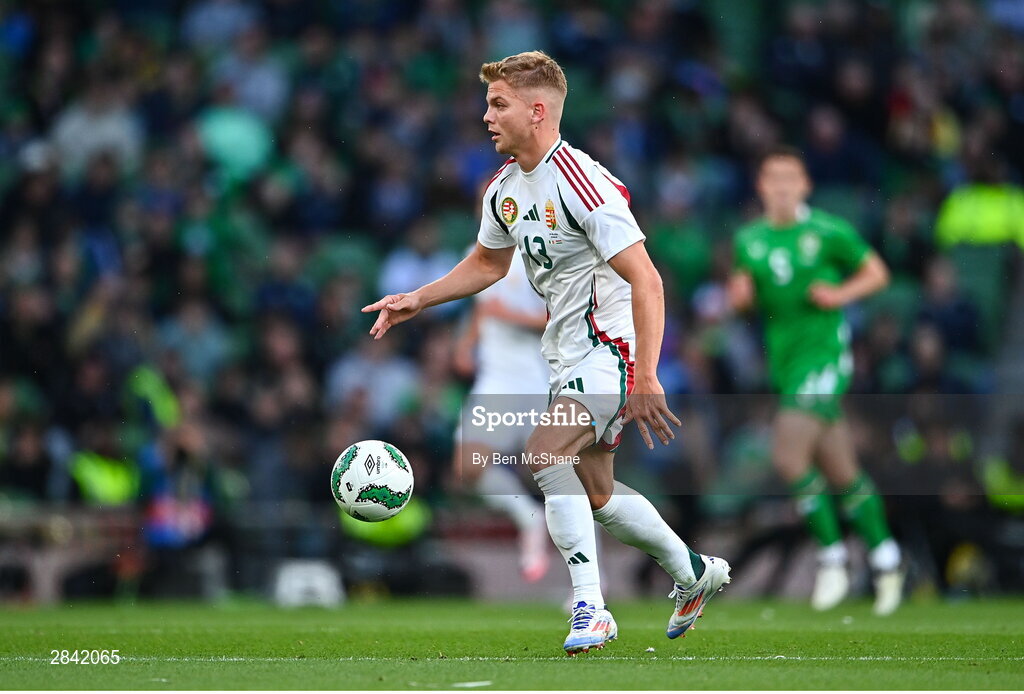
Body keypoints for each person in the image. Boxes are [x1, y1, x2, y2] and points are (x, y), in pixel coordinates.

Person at [363, 51, 729, 655]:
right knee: (598, 496)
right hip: (567, 353)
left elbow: (648, 279)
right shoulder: (505, 190)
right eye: (487, 103)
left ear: (538, 111)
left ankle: (591, 607)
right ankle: (694, 573)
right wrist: (420, 299)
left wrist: (646, 374)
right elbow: (488, 262)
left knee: (542, 451)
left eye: (498, 103)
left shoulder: (581, 181)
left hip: (614, 346)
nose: (486, 115)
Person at [728, 146, 903, 615]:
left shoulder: (828, 231)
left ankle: (833, 560)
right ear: (761, 186)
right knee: (841, 471)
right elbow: (744, 294)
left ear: (805, 185)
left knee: (787, 456)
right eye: (773, 178)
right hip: (785, 363)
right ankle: (887, 558)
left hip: (825, 356)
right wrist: (740, 296)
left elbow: (877, 273)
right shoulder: (750, 239)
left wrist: (840, 293)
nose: (782, 187)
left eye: (791, 178)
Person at [451, 249, 551, 583]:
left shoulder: (541, 250)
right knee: (467, 465)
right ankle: (527, 515)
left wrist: (507, 315)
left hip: (533, 378)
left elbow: (558, 319)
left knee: (563, 480)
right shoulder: (481, 248)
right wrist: (467, 343)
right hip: (495, 377)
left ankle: (592, 583)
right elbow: (484, 305)